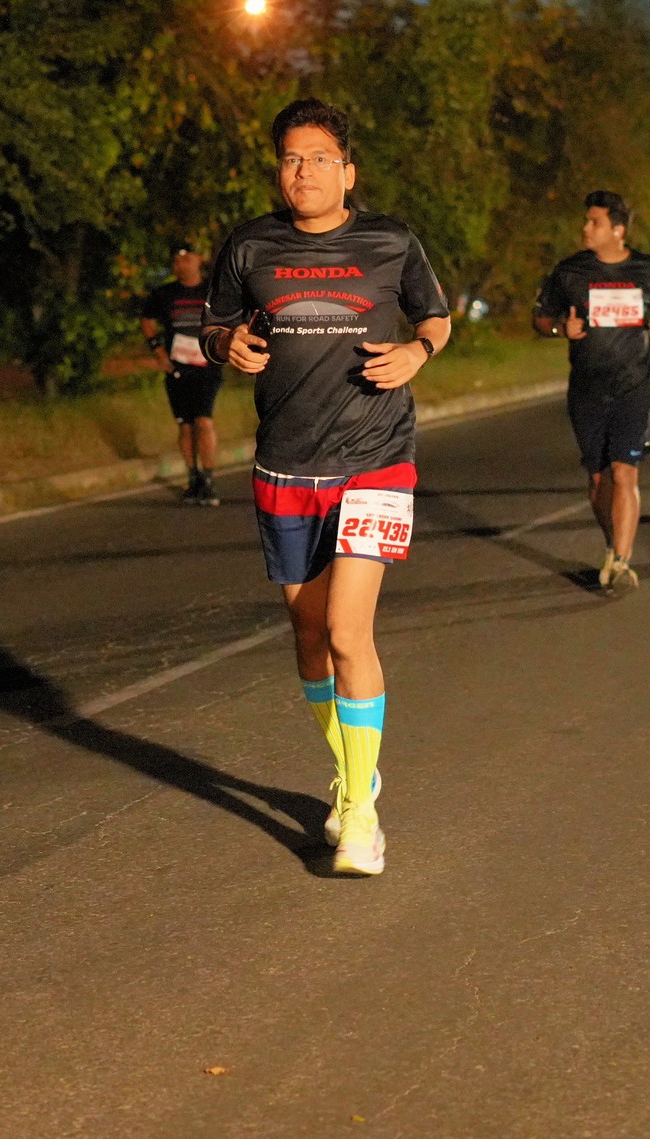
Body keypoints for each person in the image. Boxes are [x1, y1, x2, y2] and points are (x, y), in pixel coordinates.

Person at [203, 97, 451, 877]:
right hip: (285, 464)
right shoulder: (250, 245)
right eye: (290, 158)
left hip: (377, 458)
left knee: (348, 630)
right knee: (309, 635)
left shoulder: (390, 241)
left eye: (318, 158)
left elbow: (436, 319)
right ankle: (354, 771)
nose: (302, 171)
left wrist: (416, 353)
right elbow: (213, 326)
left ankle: (362, 823)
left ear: (348, 170)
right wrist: (227, 343)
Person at [533, 190, 650, 594]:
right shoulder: (570, 271)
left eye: (594, 222)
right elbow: (540, 318)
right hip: (587, 388)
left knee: (624, 471)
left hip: (634, 385)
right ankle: (613, 546)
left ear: (618, 230)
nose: (585, 228)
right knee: (598, 481)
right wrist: (560, 328)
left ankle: (623, 564)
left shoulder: (644, 266)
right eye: (586, 220)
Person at [141, 243, 223, 505]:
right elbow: (146, 318)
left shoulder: (212, 290)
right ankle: (193, 478)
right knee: (185, 426)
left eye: (187, 259)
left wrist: (222, 345)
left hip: (207, 366)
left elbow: (229, 317)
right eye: (176, 260)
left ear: (199, 260)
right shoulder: (165, 293)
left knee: (204, 421)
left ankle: (208, 480)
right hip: (177, 367)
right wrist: (158, 351)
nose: (181, 265)